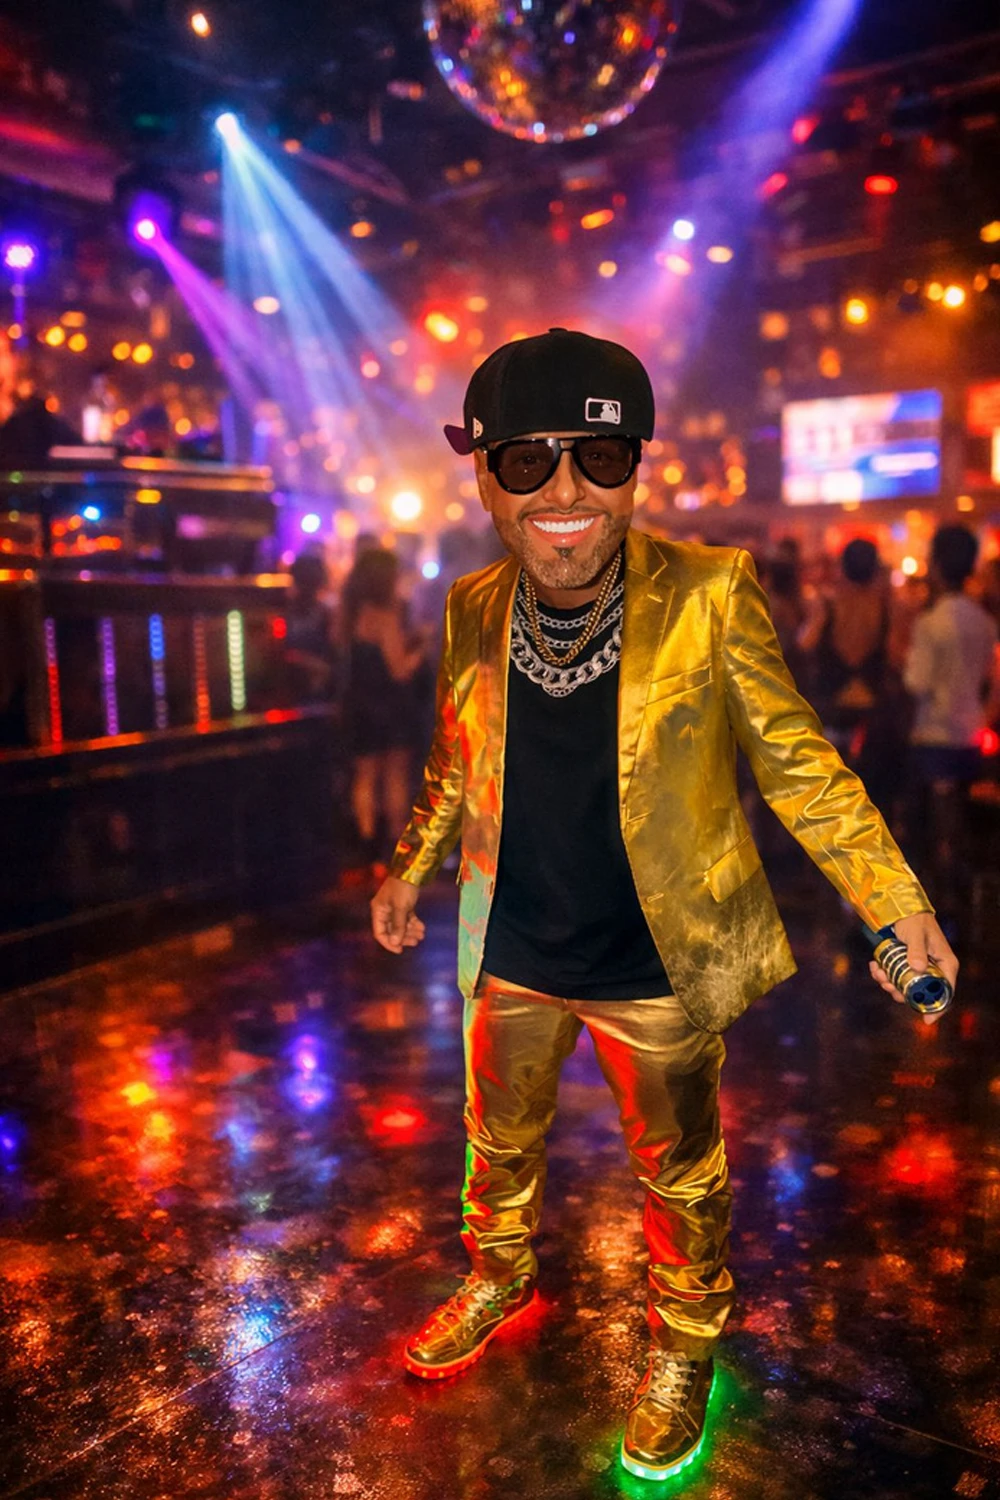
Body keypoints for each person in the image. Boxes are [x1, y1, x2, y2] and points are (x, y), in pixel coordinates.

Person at [369, 328, 956, 1481]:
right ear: (483, 476)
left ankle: (685, 1342)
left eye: (597, 456)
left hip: (655, 957)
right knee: (495, 1142)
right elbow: (454, 757)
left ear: (635, 466)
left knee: (680, 1174)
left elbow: (800, 767)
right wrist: (407, 863)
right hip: (511, 941)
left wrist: (892, 899)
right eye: (527, 461)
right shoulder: (473, 604)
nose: (564, 492)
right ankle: (497, 1275)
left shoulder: (709, 591)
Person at [903, 524, 998, 924]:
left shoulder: (931, 623)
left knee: (933, 829)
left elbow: (916, 682)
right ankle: (962, 903)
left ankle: (939, 906)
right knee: (958, 822)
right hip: (970, 738)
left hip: (934, 738)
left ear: (937, 565)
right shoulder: (984, 622)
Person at [342, 546, 428, 871]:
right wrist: (421, 648)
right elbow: (399, 670)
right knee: (394, 776)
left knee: (364, 777)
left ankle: (366, 846)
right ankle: (394, 848)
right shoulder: (385, 617)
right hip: (390, 708)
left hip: (360, 705)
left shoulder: (351, 614)